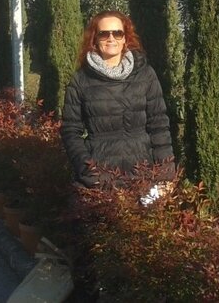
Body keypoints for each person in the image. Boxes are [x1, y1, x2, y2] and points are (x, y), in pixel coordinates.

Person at [60, 10, 174, 189]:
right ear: (95, 39)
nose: (111, 38)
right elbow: (70, 131)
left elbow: (159, 125)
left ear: (125, 38)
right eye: (104, 33)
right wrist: (88, 170)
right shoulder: (81, 80)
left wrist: (165, 175)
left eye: (117, 33)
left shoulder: (146, 74)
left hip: (143, 176)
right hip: (100, 179)